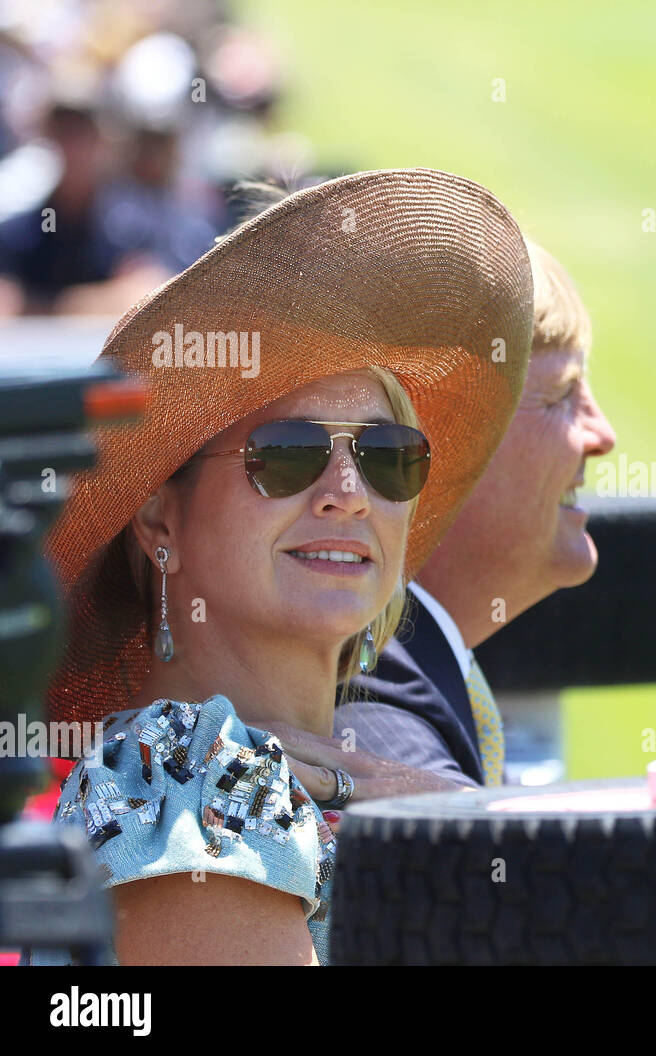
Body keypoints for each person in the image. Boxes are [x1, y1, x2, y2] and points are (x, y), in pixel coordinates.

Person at [23, 167, 534, 965]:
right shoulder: (185, 780)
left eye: (386, 457)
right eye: (287, 455)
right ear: (161, 514)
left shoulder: (297, 777)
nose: (348, 494)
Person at [330, 241, 617, 786]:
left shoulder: (404, 678)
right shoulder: (376, 724)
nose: (602, 435)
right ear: (429, 446)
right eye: (561, 394)